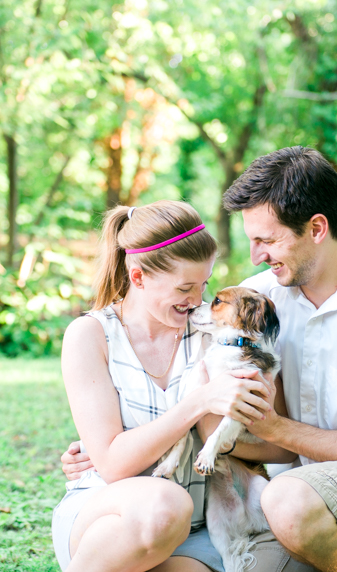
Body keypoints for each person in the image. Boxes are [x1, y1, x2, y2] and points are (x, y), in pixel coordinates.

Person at [63, 147, 337, 572]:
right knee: (233, 524)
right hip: (243, 498)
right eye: (251, 239)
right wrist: (103, 450)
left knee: (283, 509)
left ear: (317, 228)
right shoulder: (250, 302)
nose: (254, 256)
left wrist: (268, 428)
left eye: (266, 239)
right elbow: (202, 420)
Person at [52, 200, 314, 572]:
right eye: (185, 288)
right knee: (164, 506)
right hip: (110, 518)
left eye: (204, 285)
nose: (197, 302)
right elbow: (112, 464)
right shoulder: (91, 335)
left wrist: (226, 425)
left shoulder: (218, 332)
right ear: (139, 277)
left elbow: (279, 448)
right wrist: (201, 401)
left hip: (196, 529)